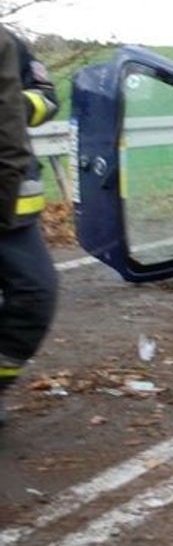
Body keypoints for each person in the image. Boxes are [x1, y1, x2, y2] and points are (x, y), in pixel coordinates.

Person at [0, 27, 58, 426]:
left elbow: (48, 99)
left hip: (13, 207)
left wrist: (11, 104)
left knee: (37, 293)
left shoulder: (11, 44)